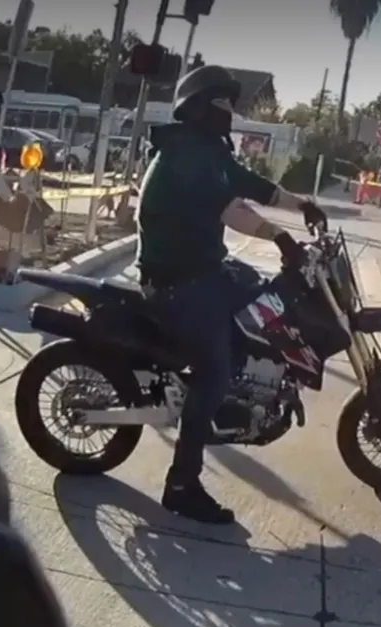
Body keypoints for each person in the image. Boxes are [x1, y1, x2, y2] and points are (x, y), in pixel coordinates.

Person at [136, 64, 327, 525]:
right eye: (220, 103)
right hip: (176, 283)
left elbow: (248, 185)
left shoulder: (205, 150)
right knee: (214, 369)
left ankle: (253, 385)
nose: (229, 111)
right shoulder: (185, 154)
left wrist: (302, 204)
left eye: (229, 103)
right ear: (198, 106)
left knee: (261, 299)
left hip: (201, 269)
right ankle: (182, 485)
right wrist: (280, 238)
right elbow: (229, 209)